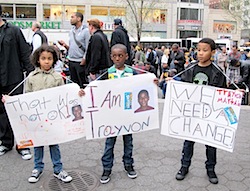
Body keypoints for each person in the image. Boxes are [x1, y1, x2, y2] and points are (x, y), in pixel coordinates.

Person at [175, 38, 227, 184]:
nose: (201, 53)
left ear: (213, 52)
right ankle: (184, 166)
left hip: (209, 114)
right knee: (188, 142)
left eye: (205, 50)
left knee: (210, 144)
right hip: (192, 114)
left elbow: (224, 92)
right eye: (199, 50)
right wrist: (171, 83)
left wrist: (236, 94)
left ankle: (210, 169)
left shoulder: (217, 71)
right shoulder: (190, 68)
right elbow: (182, 87)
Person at [26, 45, 72, 183]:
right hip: (37, 118)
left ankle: (58, 169)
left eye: (49, 59)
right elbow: (26, 97)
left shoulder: (58, 78)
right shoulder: (31, 78)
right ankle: (37, 168)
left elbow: (64, 95)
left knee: (54, 144)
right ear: (38, 60)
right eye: (43, 58)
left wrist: (78, 92)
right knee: (38, 144)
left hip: (53, 119)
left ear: (54, 60)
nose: (46, 61)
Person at [0, 4, 34, 160]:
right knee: (1, 113)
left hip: (14, 78)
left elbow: (25, 52)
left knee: (18, 112)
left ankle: (23, 145)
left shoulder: (13, 30)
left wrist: (33, 74)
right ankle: (6, 142)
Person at [58, 12, 90, 88]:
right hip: (71, 61)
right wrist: (65, 46)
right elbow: (73, 46)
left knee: (82, 84)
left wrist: (84, 59)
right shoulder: (71, 31)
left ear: (79, 19)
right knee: (73, 84)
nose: (70, 19)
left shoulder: (85, 31)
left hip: (80, 62)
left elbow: (88, 48)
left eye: (72, 17)